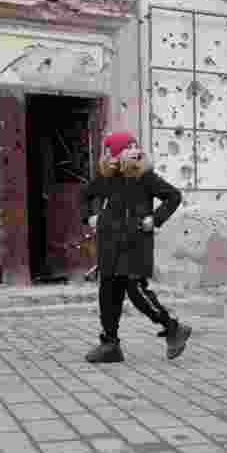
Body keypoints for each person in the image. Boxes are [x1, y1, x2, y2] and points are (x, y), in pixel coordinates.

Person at [80, 131, 192, 363]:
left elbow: (173, 196)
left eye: (134, 146)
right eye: (126, 147)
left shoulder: (145, 176)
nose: (133, 150)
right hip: (109, 246)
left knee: (136, 290)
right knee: (108, 293)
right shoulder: (106, 178)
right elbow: (84, 196)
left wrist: (155, 218)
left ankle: (173, 328)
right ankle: (110, 344)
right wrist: (89, 216)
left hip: (135, 244)